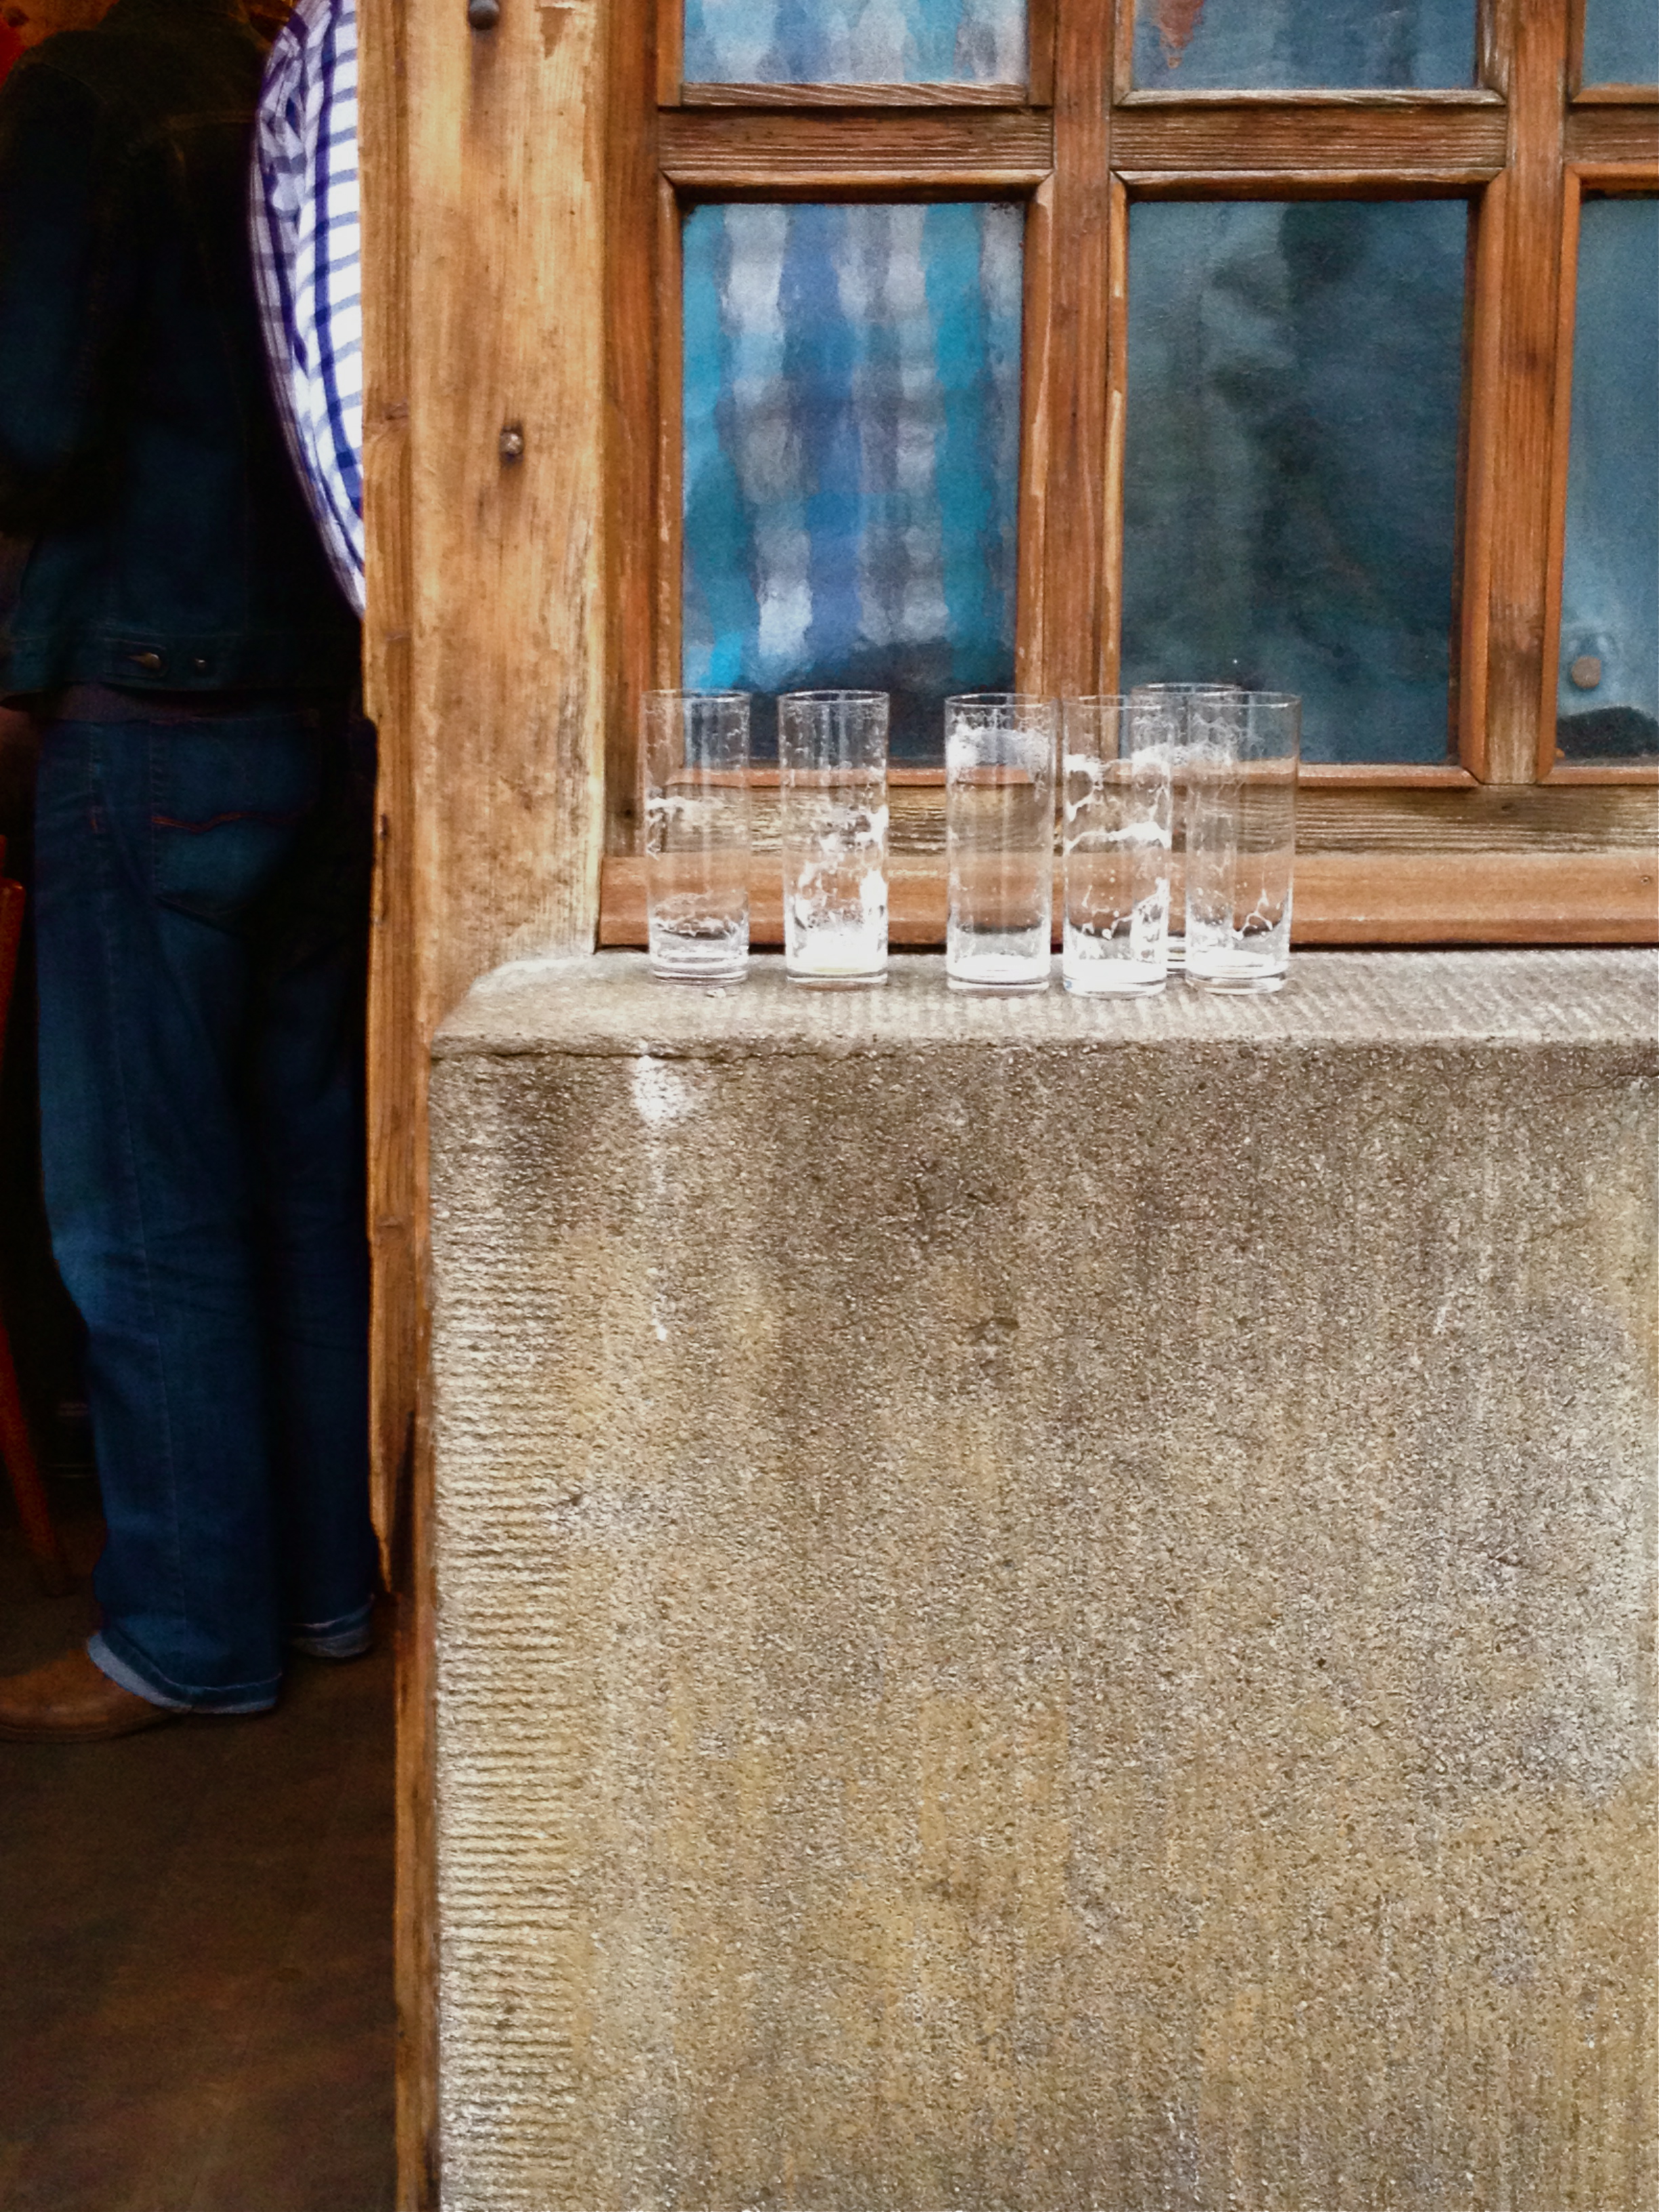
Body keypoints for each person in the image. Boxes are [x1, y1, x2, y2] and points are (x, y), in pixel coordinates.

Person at [0, 0, 377, 1740]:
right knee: (300, 1191)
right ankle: (322, 1586)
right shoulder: (286, 83)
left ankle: (185, 1633)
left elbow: (27, 421)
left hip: (151, 713)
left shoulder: (83, 97)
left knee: (145, 1213)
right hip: (317, 704)